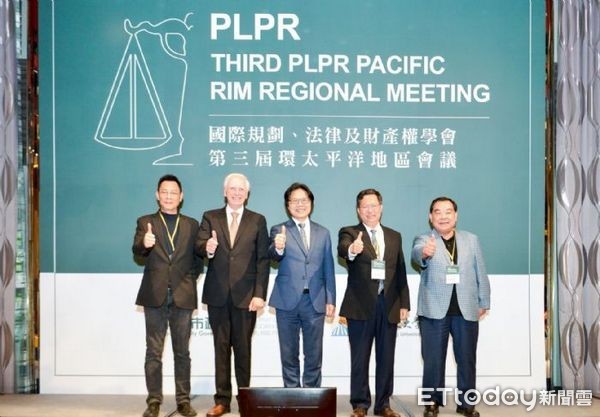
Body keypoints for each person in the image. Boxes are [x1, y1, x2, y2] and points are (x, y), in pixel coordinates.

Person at [197, 173, 270, 417]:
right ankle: (222, 401)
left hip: (246, 297)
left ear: (247, 194)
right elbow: (199, 245)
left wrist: (259, 294)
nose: (237, 193)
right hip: (217, 295)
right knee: (220, 349)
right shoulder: (210, 217)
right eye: (232, 188)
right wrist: (207, 248)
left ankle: (245, 399)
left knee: (243, 349)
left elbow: (263, 260)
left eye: (241, 189)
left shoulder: (257, 220)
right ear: (225, 191)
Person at [411, 197, 490, 417]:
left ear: (455, 216)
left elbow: (480, 271)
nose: (443, 216)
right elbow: (417, 254)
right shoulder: (424, 239)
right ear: (431, 217)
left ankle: (467, 403)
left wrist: (484, 301)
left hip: (466, 309)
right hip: (433, 310)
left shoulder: (471, 240)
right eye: (438, 212)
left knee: (466, 359)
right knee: (433, 360)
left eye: (448, 212)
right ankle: (432, 402)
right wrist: (425, 252)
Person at [132, 174, 201, 417]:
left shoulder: (192, 224)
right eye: (164, 192)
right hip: (155, 295)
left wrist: (187, 280)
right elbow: (137, 251)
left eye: (173, 192)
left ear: (181, 196)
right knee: (153, 352)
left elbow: (198, 260)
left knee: (182, 352)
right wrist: (145, 242)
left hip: (183, 295)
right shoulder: (146, 222)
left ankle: (183, 401)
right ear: (157, 195)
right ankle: (154, 401)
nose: (169, 196)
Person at [338, 188, 410, 417]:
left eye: (374, 205)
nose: (370, 210)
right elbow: (343, 249)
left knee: (386, 358)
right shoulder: (350, 232)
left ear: (381, 208)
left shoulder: (394, 236)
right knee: (360, 358)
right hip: (359, 306)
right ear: (358, 211)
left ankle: (383, 405)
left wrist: (404, 304)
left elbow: (400, 271)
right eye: (365, 206)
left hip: (389, 305)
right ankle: (360, 405)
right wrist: (352, 249)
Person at [268, 182, 336, 388]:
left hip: (315, 301)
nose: (300, 204)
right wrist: (278, 247)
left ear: (311, 203)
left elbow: (328, 267)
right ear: (288, 206)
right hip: (286, 300)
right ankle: (292, 395)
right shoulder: (279, 230)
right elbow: (272, 255)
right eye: (294, 201)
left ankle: (312, 396)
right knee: (288, 354)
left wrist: (331, 299)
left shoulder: (323, 233)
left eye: (304, 200)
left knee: (314, 354)